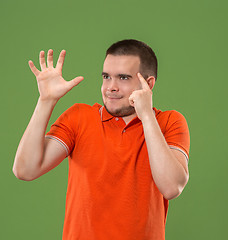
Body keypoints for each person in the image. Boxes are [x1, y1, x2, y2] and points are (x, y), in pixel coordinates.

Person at [13, 39, 190, 240]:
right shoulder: (79, 118)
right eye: (106, 77)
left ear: (148, 84)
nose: (111, 87)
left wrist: (147, 116)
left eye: (123, 78)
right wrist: (46, 101)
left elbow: (171, 187)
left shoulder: (169, 122)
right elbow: (25, 170)